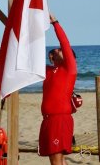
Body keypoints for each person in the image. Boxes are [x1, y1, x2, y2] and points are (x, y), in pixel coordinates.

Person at [39, 15, 77, 165]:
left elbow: (65, 43)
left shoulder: (69, 69)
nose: (58, 50)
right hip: (48, 119)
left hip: (59, 118)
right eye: (54, 51)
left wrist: (55, 23)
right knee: (58, 160)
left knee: (56, 161)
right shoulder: (48, 70)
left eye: (60, 50)